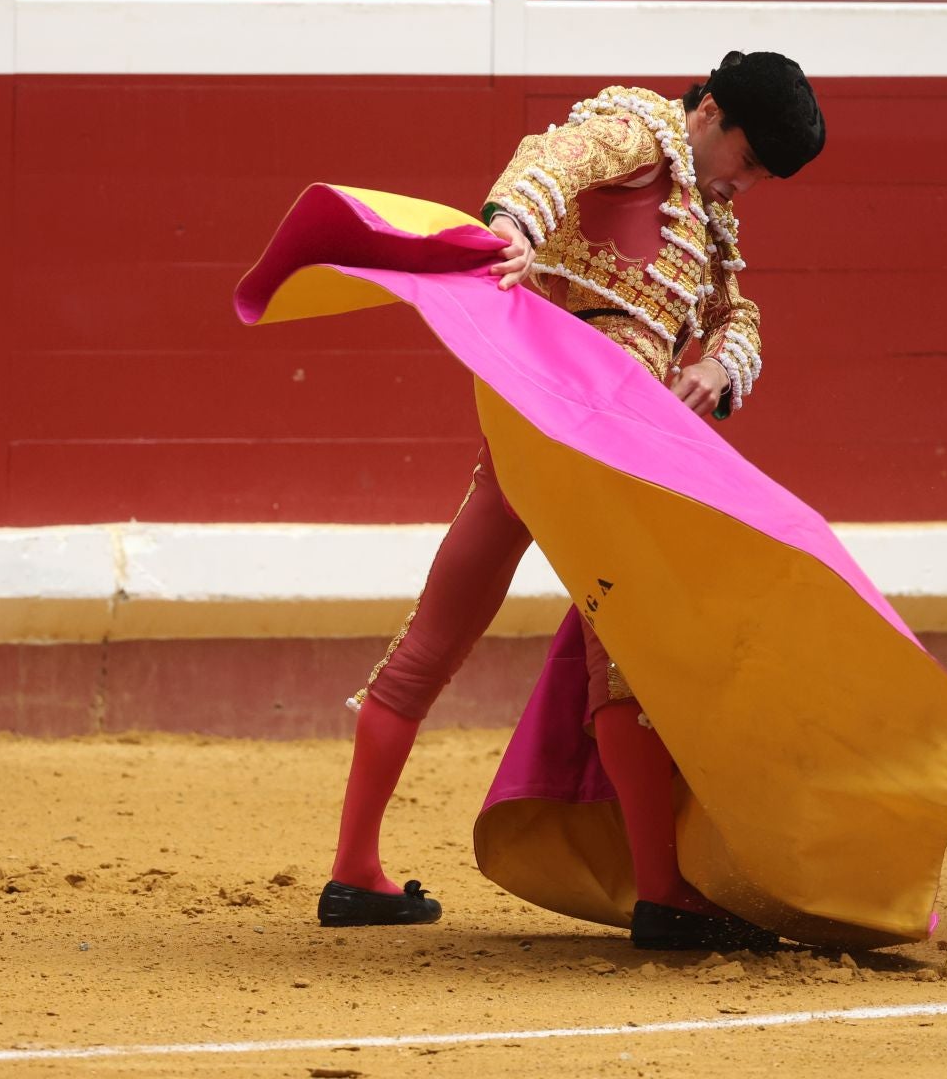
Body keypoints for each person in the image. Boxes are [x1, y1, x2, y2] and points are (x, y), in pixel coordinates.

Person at [317, 51, 827, 950]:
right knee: (621, 655)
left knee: (435, 636)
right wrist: (510, 226)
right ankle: (663, 892)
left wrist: (717, 366)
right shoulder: (642, 135)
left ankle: (354, 870)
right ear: (708, 110)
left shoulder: (708, 217)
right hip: (588, 428)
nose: (745, 185)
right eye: (747, 161)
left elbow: (734, 316)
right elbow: (552, 163)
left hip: (539, 433)